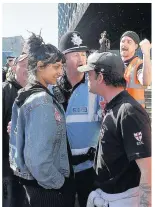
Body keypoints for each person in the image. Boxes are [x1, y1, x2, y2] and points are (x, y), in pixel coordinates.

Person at [78, 52, 151, 207]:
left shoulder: (128, 111)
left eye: (89, 73)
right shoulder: (115, 107)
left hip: (122, 200)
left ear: (100, 77)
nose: (86, 78)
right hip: (110, 197)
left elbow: (148, 169)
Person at [9, 33, 73, 207]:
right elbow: (38, 160)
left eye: (61, 67)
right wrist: (59, 183)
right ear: (40, 66)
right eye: (56, 67)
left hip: (35, 187)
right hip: (48, 191)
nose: (60, 72)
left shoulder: (26, 94)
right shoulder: (41, 101)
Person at [57, 31, 102, 207]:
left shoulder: (95, 86)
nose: (81, 58)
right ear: (63, 59)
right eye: (75, 54)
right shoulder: (53, 88)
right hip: (60, 171)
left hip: (89, 170)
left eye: (83, 54)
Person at [3, 53, 28, 207]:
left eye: (31, 66)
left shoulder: (36, 92)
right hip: (7, 167)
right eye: (24, 65)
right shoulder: (5, 90)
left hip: (29, 168)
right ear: (15, 67)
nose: (28, 69)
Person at [120, 31, 151, 107]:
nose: (124, 44)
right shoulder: (116, 64)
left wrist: (146, 54)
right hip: (119, 113)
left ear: (136, 46)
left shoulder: (138, 64)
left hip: (135, 114)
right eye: (123, 41)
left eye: (129, 42)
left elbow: (145, 81)